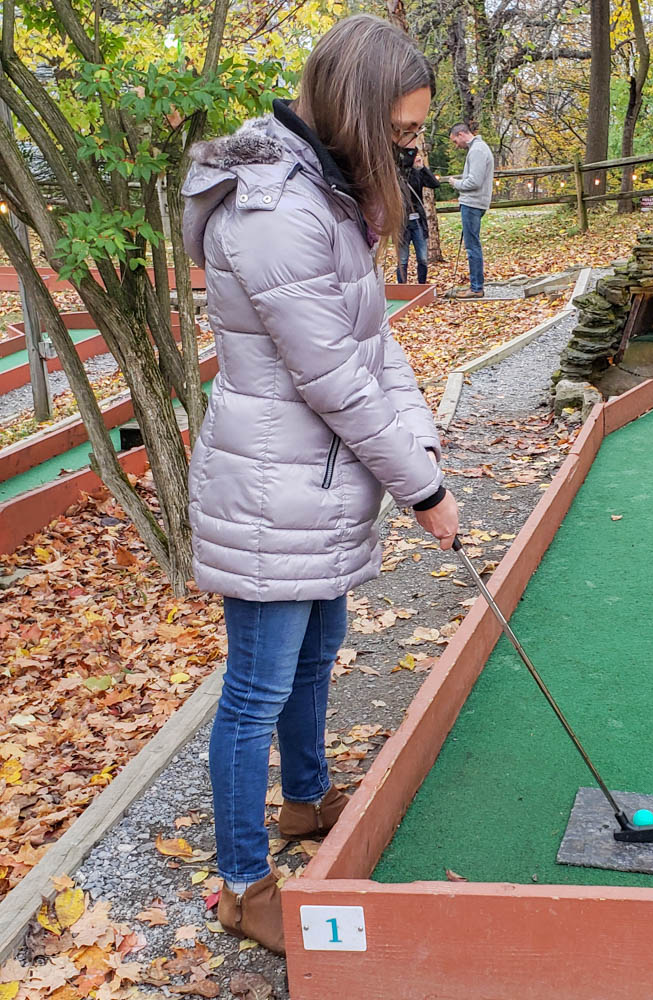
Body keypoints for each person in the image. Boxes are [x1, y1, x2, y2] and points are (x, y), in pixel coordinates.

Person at [180, 14, 459, 955]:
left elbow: (379, 350)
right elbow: (335, 377)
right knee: (256, 684)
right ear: (354, 111)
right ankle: (241, 881)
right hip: (271, 487)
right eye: (405, 132)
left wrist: (424, 461)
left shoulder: (329, 195)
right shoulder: (276, 214)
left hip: (318, 482)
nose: (412, 150)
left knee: (318, 645)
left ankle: (304, 802)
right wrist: (422, 493)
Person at [446, 123, 494, 299]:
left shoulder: (477, 151)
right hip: (473, 203)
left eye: (455, 141)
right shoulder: (477, 149)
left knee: (472, 246)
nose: (455, 145)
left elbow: (474, 181)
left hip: (473, 203)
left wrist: (455, 183)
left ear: (460, 134)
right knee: (471, 244)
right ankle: (475, 285)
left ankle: (476, 287)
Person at [395, 149, 440, 284]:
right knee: (402, 259)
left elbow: (434, 184)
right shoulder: (397, 175)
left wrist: (423, 168)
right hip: (402, 222)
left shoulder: (418, 173)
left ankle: (421, 285)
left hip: (418, 221)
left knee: (422, 258)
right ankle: (402, 288)